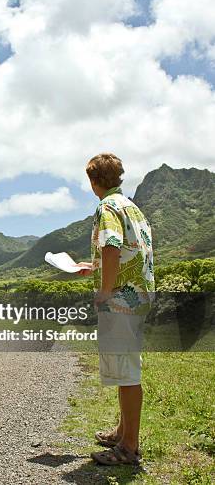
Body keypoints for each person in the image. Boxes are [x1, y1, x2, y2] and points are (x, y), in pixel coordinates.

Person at [75, 153, 154, 466]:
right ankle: (123, 433)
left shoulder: (106, 207)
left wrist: (105, 291)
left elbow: (111, 246)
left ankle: (129, 447)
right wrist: (90, 266)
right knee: (126, 367)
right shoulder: (132, 207)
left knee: (127, 372)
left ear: (94, 181)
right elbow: (125, 250)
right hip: (138, 295)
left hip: (121, 298)